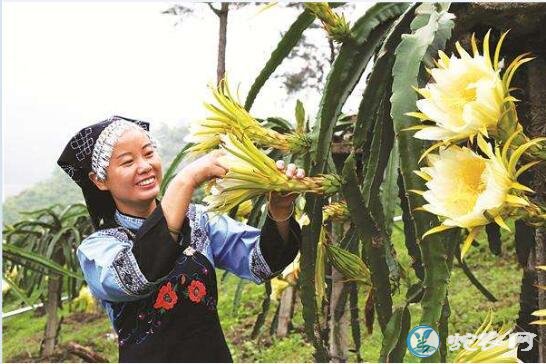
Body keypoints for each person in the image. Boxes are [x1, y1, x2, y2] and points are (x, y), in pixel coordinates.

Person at [57, 116, 303, 362]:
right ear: (99, 180)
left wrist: (280, 212)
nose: (144, 166)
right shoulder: (98, 249)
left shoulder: (199, 221)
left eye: (148, 153)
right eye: (128, 161)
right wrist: (185, 180)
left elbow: (261, 261)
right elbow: (137, 276)